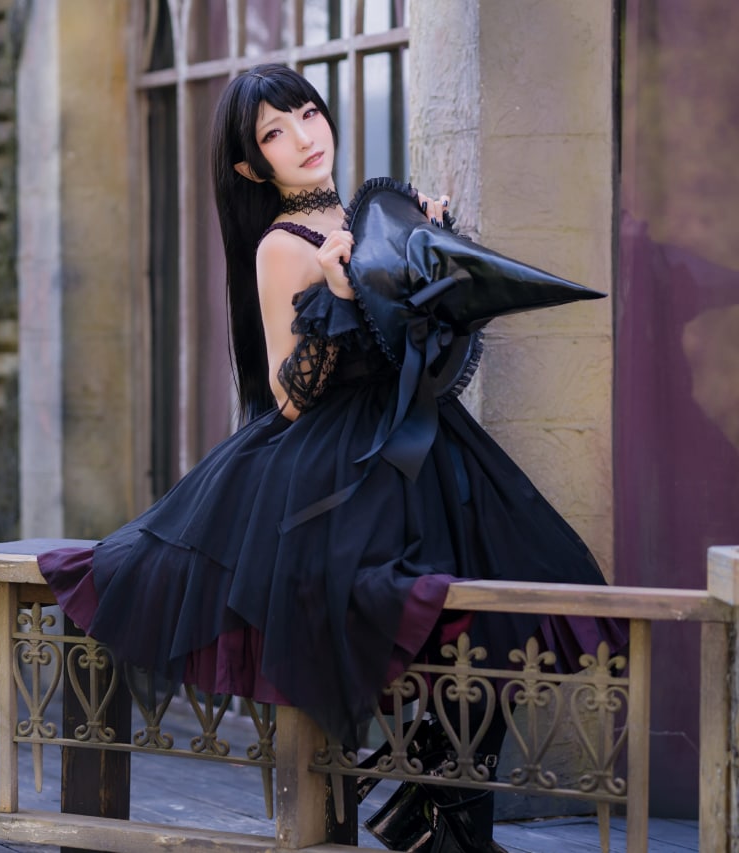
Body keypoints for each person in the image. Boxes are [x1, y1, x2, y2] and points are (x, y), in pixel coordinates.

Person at [37, 63, 624, 852]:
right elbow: (288, 396)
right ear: (253, 166)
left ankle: (432, 788)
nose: (304, 136)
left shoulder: (373, 214)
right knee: (415, 606)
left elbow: (434, 350)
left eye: (307, 113)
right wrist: (339, 296)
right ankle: (441, 812)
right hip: (339, 462)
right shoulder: (282, 247)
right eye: (275, 133)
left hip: (427, 446)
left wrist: (434, 255)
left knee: (527, 598)